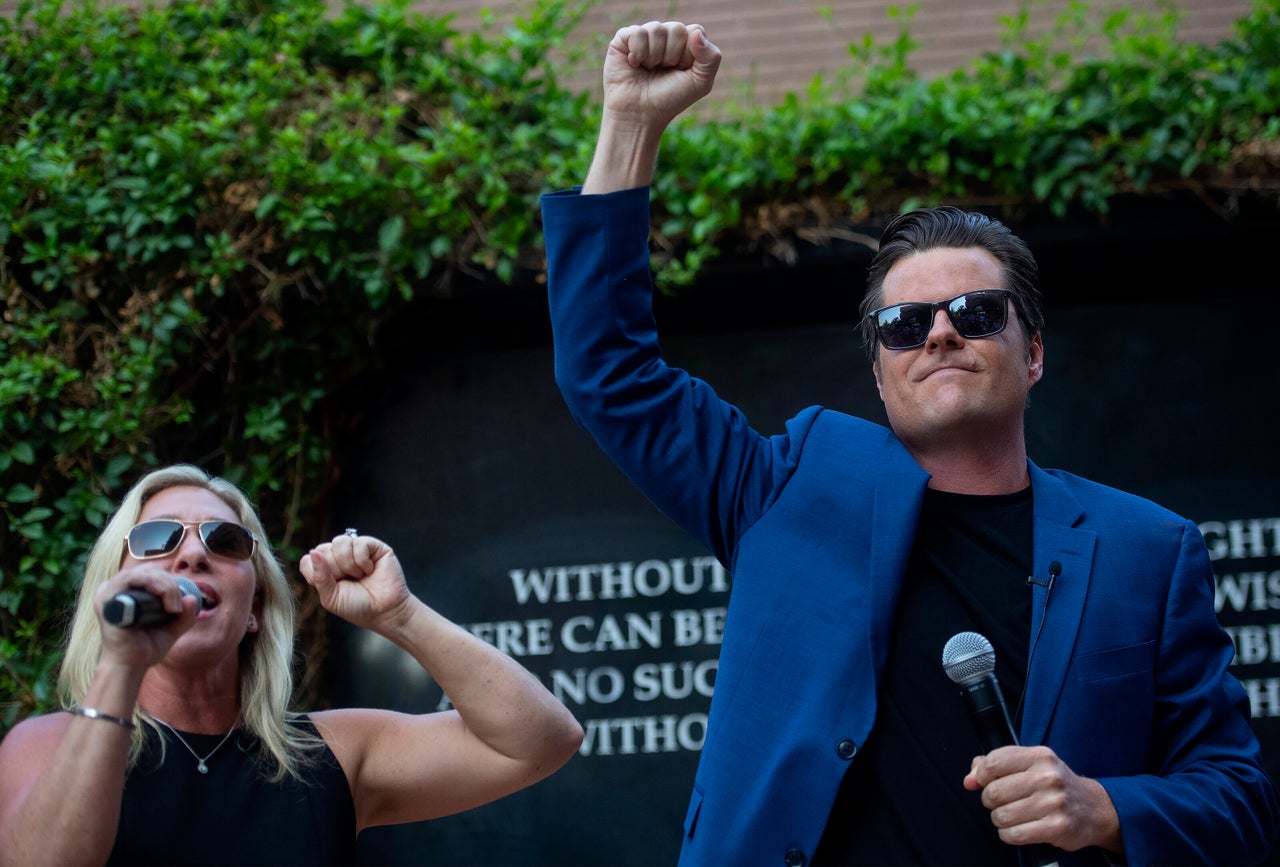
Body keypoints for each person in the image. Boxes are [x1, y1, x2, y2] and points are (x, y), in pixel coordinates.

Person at [539, 20, 1278, 867]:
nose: (938, 336)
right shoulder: (784, 487)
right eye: (903, 324)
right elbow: (609, 370)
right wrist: (632, 126)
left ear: (1033, 351)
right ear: (880, 374)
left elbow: (1240, 797)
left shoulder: (1148, 550)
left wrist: (1103, 804)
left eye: (975, 313)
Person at [0, 463, 583, 866]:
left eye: (225, 540)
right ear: (114, 584)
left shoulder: (328, 756)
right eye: (157, 538)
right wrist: (122, 665)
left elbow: (539, 741)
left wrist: (401, 615)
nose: (194, 552)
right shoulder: (45, 747)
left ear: (254, 608)